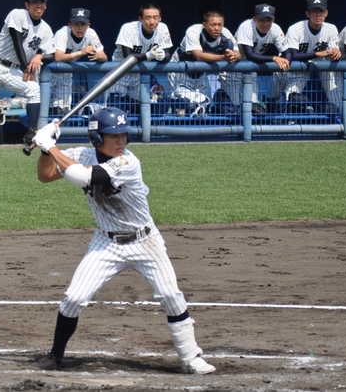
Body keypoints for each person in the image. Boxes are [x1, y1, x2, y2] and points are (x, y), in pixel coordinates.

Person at [28, 108, 215, 375]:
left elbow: (84, 176)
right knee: (73, 298)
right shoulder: (81, 155)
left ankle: (191, 358)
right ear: (96, 137)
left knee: (172, 296)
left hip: (145, 242)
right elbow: (45, 175)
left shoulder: (128, 163)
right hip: (106, 243)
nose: (120, 141)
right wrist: (46, 150)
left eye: (123, 135)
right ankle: (55, 357)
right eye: (113, 136)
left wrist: (50, 144)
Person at [0, 0, 53, 145]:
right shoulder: (17, 14)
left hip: (13, 69)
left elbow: (53, 55)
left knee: (33, 90)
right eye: (35, 2)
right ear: (27, 4)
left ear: (45, 5)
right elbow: (17, 43)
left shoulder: (46, 29)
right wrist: (27, 67)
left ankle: (32, 134)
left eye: (42, 2)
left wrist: (40, 56)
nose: (38, 5)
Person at [282, 0, 343, 113]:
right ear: (307, 13)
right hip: (298, 66)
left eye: (321, 11)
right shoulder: (296, 29)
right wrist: (317, 54)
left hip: (321, 64)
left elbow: (333, 50)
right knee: (289, 98)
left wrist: (336, 53)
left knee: (337, 97)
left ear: (326, 13)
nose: (318, 15)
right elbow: (292, 55)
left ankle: (337, 124)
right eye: (314, 11)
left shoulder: (331, 29)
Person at [167, 10, 239, 108]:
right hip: (181, 68)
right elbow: (198, 55)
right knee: (181, 103)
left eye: (220, 24)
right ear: (204, 24)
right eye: (213, 25)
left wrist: (233, 55)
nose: (217, 28)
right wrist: (223, 57)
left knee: (202, 105)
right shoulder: (193, 31)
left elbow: (238, 53)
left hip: (200, 72)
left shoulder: (225, 33)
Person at [108, 3, 172, 111]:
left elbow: (168, 55)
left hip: (140, 74)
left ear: (160, 18)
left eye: (155, 17)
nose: (152, 22)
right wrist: (148, 55)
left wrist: (162, 56)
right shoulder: (129, 29)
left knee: (150, 107)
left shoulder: (162, 28)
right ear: (140, 19)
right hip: (121, 73)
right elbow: (127, 57)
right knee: (116, 109)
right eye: (148, 18)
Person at [44, 8, 107, 115]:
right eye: (76, 24)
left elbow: (104, 57)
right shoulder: (63, 33)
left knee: (62, 110)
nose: (79, 28)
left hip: (65, 73)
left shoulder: (91, 34)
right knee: (42, 106)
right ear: (70, 25)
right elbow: (58, 57)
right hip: (47, 72)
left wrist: (98, 55)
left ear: (88, 25)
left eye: (83, 24)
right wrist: (81, 53)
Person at [233, 3, 288, 110]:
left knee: (252, 106)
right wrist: (274, 58)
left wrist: (285, 59)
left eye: (268, 20)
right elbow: (250, 55)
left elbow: (287, 52)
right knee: (234, 106)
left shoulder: (275, 29)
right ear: (254, 19)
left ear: (273, 20)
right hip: (233, 68)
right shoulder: (246, 26)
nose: (265, 24)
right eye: (261, 20)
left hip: (251, 69)